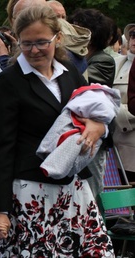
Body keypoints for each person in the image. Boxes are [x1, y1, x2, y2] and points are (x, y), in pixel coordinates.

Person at [0, 5, 114, 257]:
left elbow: (95, 116)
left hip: (73, 189)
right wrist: (0, 209)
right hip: (31, 192)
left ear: (58, 38)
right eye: (26, 43)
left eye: (42, 42)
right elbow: (1, 149)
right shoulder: (7, 82)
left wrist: (99, 126)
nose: (34, 50)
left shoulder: (72, 76)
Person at [68, 8, 116, 198]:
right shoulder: (80, 58)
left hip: (93, 139)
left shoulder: (103, 60)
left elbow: (80, 83)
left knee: (91, 194)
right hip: (76, 133)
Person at [112, 23, 135, 182]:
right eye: (133, 35)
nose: (134, 39)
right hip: (115, 146)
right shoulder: (116, 63)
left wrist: (115, 111)